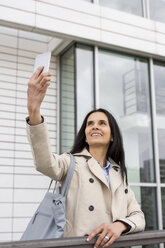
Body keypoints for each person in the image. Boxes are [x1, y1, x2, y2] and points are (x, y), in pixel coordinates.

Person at [26, 66, 145, 248]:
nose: (95, 126)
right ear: (86, 134)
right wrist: (34, 109)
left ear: (112, 135)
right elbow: (44, 163)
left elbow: (138, 216)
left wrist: (120, 225)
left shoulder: (119, 173)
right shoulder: (71, 163)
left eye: (102, 123)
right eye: (90, 124)